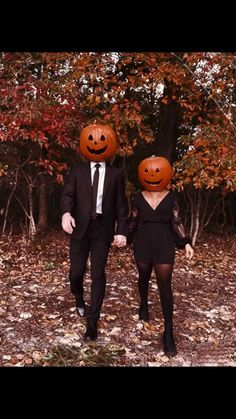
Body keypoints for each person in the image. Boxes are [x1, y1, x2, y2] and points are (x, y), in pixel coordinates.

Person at [61, 124, 128, 341]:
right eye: (92, 139)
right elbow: (67, 196)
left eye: (102, 140)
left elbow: (121, 205)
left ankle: (92, 322)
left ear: (110, 145)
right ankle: (79, 298)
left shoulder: (116, 174)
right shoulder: (78, 170)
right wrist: (65, 214)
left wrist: (122, 231)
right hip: (79, 227)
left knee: (98, 274)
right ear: (85, 144)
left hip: (102, 229)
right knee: (76, 272)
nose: (97, 143)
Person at [128, 156, 194, 357]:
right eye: (148, 172)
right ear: (142, 175)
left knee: (165, 286)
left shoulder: (172, 197)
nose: (153, 175)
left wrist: (186, 243)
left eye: (157, 171)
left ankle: (168, 332)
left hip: (165, 244)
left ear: (165, 174)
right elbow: (133, 220)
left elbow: (176, 222)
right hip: (143, 243)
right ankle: (144, 304)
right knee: (143, 278)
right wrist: (124, 237)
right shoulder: (138, 197)